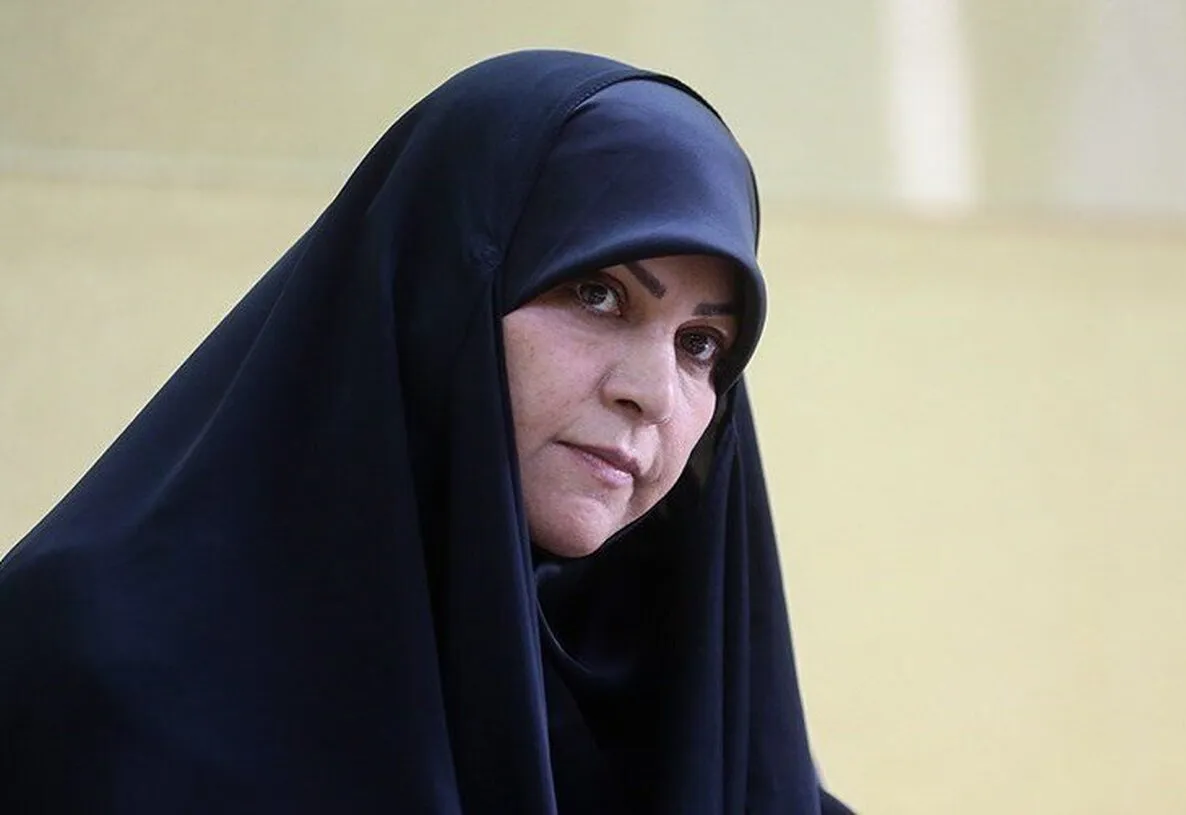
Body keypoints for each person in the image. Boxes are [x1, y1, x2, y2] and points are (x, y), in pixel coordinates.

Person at [0, 50, 852, 813]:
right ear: (431, 295)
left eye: (701, 345)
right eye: (597, 294)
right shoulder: (89, 678)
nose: (654, 394)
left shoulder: (704, 737)